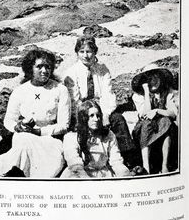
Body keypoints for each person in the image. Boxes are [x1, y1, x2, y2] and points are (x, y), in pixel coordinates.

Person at [0, 48, 71, 178]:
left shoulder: (60, 90)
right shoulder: (20, 91)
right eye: (39, 67)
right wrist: (16, 127)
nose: (44, 71)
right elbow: (9, 120)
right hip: (23, 135)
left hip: (49, 140)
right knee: (22, 140)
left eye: (48, 67)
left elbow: (64, 125)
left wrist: (38, 132)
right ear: (30, 68)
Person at [63, 36, 137, 168]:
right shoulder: (71, 72)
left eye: (89, 51)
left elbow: (108, 95)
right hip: (81, 111)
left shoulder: (102, 70)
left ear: (95, 52)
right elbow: (74, 101)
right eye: (82, 52)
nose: (86, 55)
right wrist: (87, 114)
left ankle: (129, 161)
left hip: (101, 109)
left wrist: (105, 115)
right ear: (77, 53)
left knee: (118, 119)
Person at [61, 100, 130, 178]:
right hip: (80, 176)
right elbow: (75, 166)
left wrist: (125, 175)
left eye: (98, 115)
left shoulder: (108, 135)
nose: (96, 119)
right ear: (84, 117)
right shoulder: (71, 137)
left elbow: (116, 161)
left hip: (103, 175)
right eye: (91, 116)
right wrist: (89, 182)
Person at [131, 64, 178, 174]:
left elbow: (173, 113)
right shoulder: (139, 96)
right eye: (150, 78)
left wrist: (157, 111)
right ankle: (146, 167)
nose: (154, 81)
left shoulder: (168, 93)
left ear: (161, 78)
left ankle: (164, 165)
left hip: (164, 128)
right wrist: (147, 92)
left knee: (166, 121)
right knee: (146, 124)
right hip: (145, 129)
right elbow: (145, 114)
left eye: (156, 77)